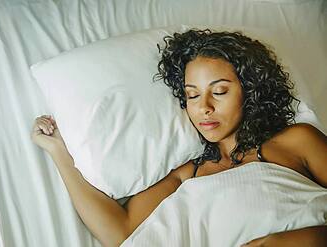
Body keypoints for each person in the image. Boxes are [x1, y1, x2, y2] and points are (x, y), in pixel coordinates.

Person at [31, 29, 327, 247]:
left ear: (249, 91)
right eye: (192, 95)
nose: (204, 107)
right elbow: (120, 232)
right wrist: (59, 152)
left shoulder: (296, 141)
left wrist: (296, 239)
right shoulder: (187, 174)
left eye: (220, 91)